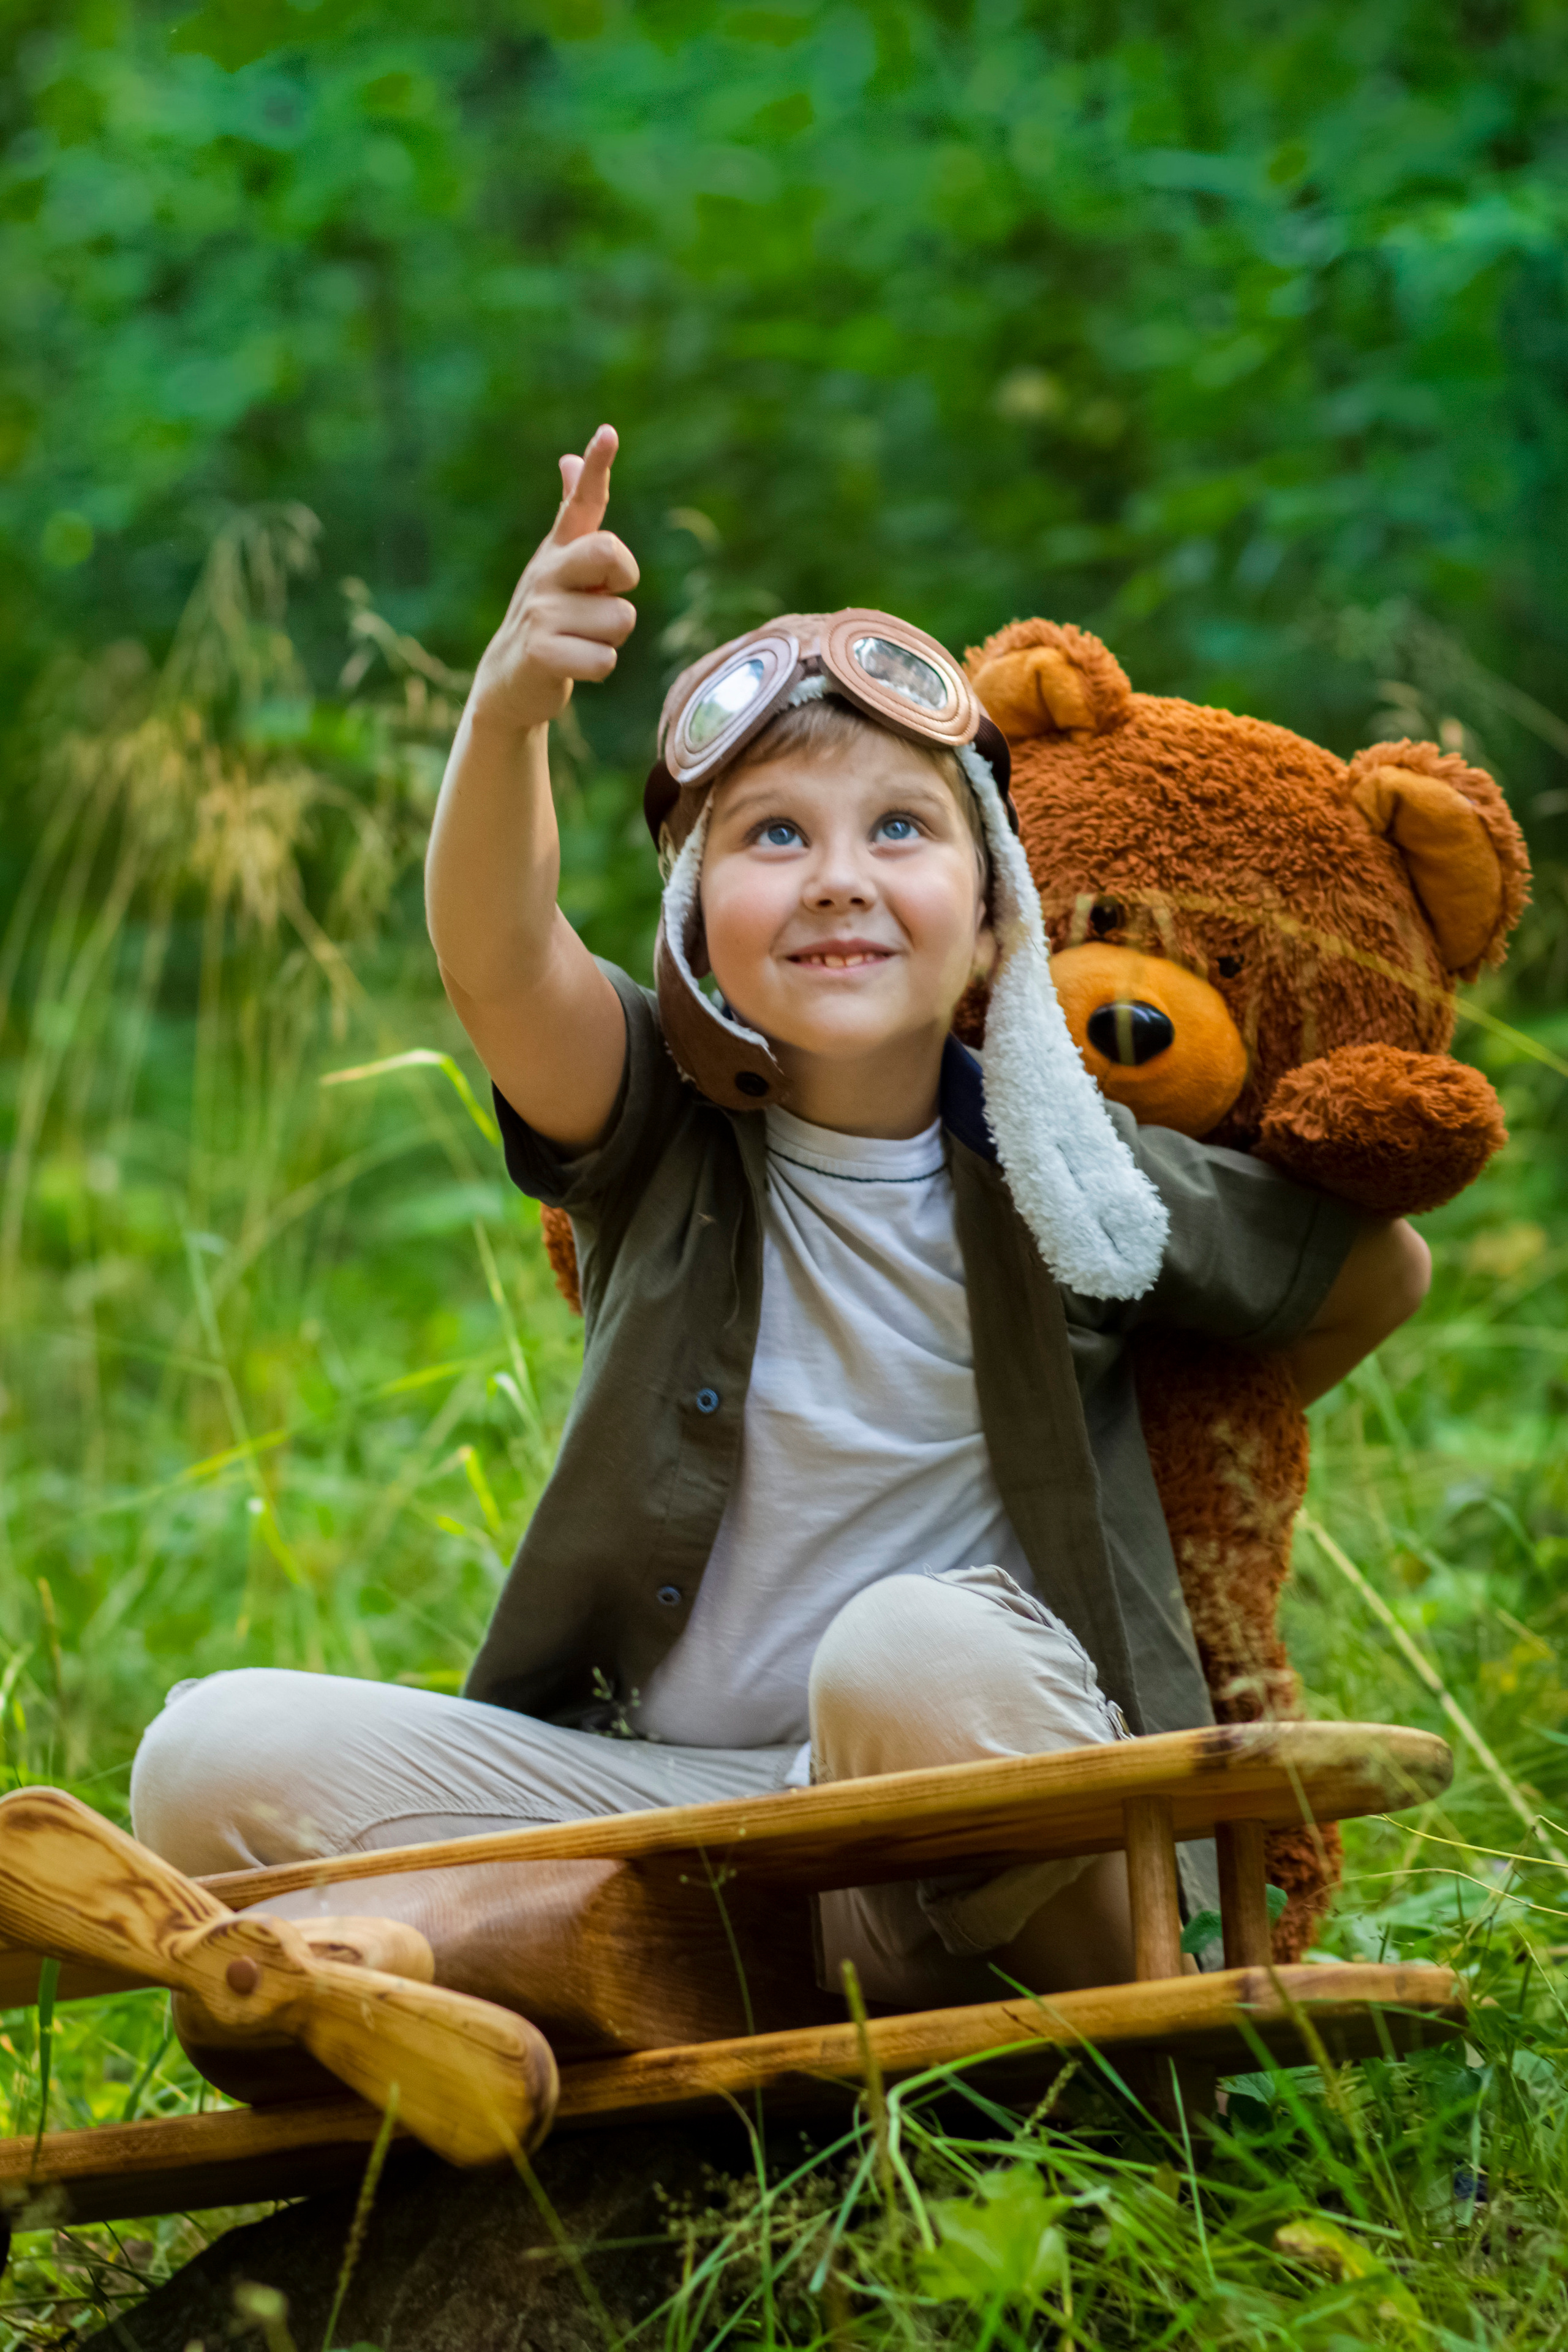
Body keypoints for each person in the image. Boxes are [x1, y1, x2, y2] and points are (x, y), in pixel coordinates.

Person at [130, 427, 1430, 2051]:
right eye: (772, 837)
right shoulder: (656, 1129)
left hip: (969, 1796)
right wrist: (510, 709)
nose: (838, 880)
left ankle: (590, 1967)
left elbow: (1376, 1269)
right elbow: (496, 955)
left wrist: (1182, 1412)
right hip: (677, 1801)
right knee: (207, 1757)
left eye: (900, 830)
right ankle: (637, 1960)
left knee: (912, 1648)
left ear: (989, 909)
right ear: (694, 918)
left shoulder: (1078, 1172)